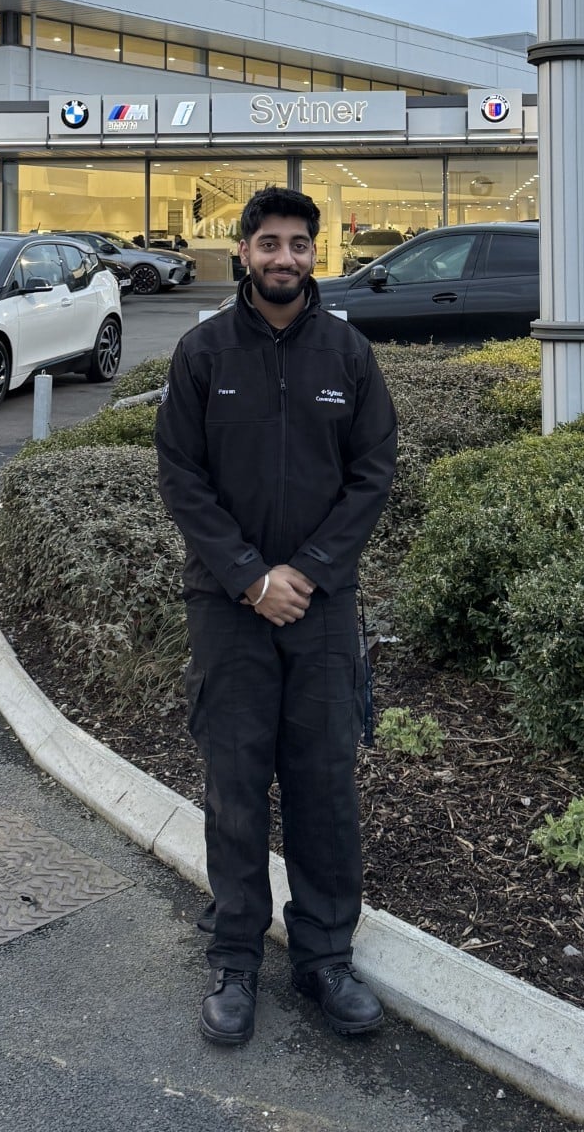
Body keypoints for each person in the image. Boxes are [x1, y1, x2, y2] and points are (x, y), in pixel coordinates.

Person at [155, 185, 398, 1046]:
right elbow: (182, 479)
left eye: (299, 244)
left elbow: (373, 474)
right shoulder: (202, 352)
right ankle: (234, 956)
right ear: (243, 251)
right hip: (228, 605)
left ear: (314, 253)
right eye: (269, 243)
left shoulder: (348, 353)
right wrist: (254, 578)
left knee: (325, 782)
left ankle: (325, 956)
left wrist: (310, 573)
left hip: (324, 608)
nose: (284, 257)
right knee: (234, 779)